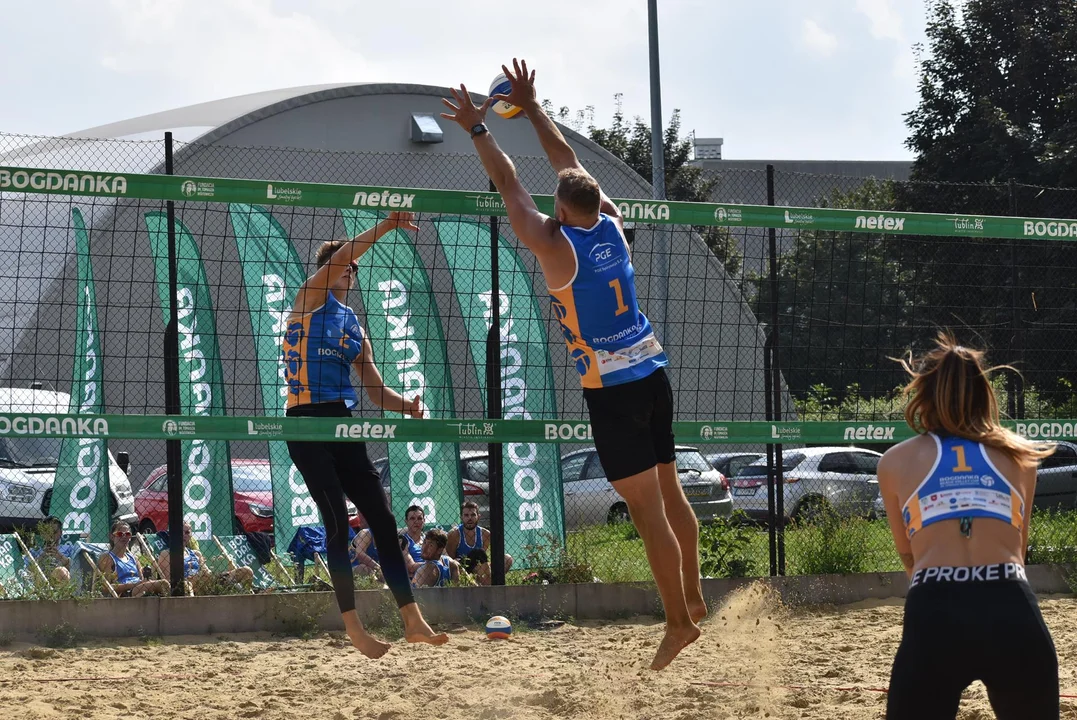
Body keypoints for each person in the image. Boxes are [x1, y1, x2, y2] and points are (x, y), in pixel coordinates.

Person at [440, 60, 703, 670]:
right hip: (652, 370)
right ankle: (692, 595)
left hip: (611, 388)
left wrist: (480, 128)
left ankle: (677, 622)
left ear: (559, 209)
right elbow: (567, 166)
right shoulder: (613, 222)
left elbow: (509, 183)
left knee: (647, 511)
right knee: (670, 489)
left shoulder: (555, 245)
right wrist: (531, 108)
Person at [281, 210, 447, 656]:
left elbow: (374, 389)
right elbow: (345, 255)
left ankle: (412, 620)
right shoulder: (308, 299)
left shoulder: (353, 323)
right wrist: (388, 225)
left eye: (354, 268)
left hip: (342, 422)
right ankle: (354, 627)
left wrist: (407, 405)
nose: (352, 272)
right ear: (330, 268)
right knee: (336, 521)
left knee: (385, 519)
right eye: (346, 265)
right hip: (306, 421)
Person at [877, 333, 1058, 719]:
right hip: (1010, 601)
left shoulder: (894, 461)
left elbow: (908, 554)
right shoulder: (1020, 455)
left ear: (923, 394)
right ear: (985, 393)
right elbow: (1019, 551)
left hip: (936, 608)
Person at [158, 521, 255, 594]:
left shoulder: (196, 554)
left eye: (187, 532)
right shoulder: (166, 554)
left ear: (191, 535)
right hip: (185, 587)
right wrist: (193, 578)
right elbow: (168, 581)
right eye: (180, 532)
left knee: (246, 571)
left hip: (206, 584)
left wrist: (207, 575)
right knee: (188, 585)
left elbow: (207, 574)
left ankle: (245, 595)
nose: (184, 535)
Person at [445, 501, 512, 585]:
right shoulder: (454, 534)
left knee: (507, 558)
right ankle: (488, 586)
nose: (470, 518)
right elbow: (451, 560)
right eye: (466, 515)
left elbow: (484, 560)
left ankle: (491, 583)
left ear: (478, 517)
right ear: (461, 517)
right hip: (462, 567)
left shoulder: (485, 534)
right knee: (478, 553)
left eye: (473, 515)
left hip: (480, 567)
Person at [98, 520, 170, 598]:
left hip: (139, 589)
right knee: (163, 584)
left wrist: (143, 582)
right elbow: (105, 587)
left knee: (154, 591)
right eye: (120, 534)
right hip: (125, 593)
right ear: (112, 537)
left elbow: (143, 580)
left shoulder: (133, 558)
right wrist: (133, 585)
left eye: (127, 534)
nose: (124, 537)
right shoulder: (108, 557)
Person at [400, 505, 427, 577]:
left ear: (424, 521)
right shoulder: (403, 541)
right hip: (414, 578)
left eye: (419, 518)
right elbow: (411, 567)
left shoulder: (428, 539)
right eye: (412, 518)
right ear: (406, 521)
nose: (416, 521)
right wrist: (433, 564)